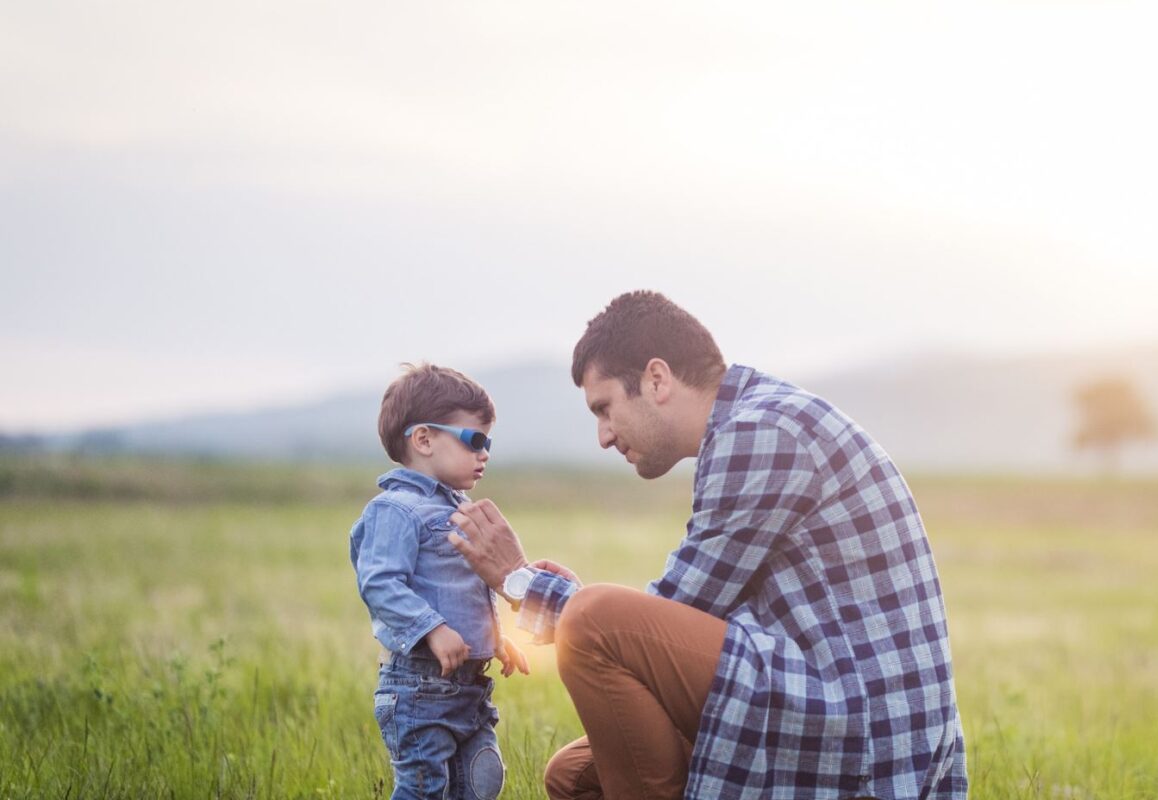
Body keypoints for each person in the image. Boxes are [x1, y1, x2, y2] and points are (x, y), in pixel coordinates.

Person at [449, 292, 967, 799]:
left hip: (863, 746)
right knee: (576, 775)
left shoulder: (761, 434)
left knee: (593, 620)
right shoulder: (756, 423)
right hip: (834, 710)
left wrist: (519, 580)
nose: (604, 436)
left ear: (657, 379)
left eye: (605, 409)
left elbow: (666, 610)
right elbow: (667, 622)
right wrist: (583, 609)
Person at [349, 362, 530, 800]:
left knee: (482, 782)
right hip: (418, 688)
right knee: (427, 788)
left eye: (488, 442)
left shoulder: (458, 508)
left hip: (469, 687)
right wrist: (431, 629)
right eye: (474, 439)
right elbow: (380, 583)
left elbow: (464, 588)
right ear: (424, 439)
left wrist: (494, 638)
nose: (485, 452)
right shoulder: (396, 509)